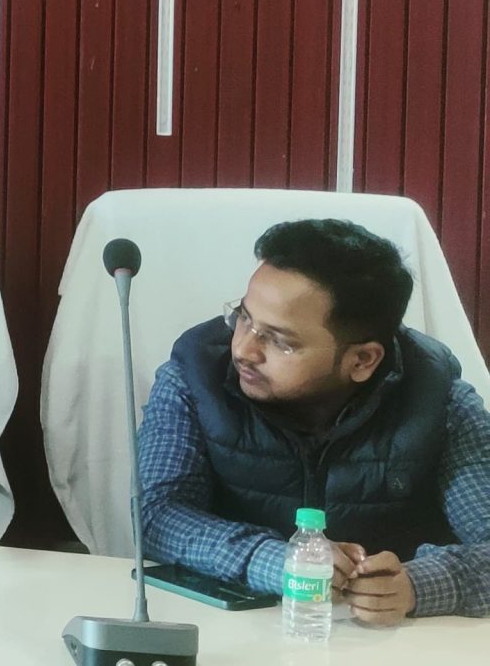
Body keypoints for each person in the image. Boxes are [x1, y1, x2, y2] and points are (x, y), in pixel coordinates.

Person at [139, 218, 488, 621]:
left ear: (362, 360)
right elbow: (155, 516)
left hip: (385, 638)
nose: (245, 350)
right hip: (232, 625)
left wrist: (417, 585)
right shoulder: (195, 376)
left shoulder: (438, 400)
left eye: (280, 341)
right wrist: (272, 560)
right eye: (243, 317)